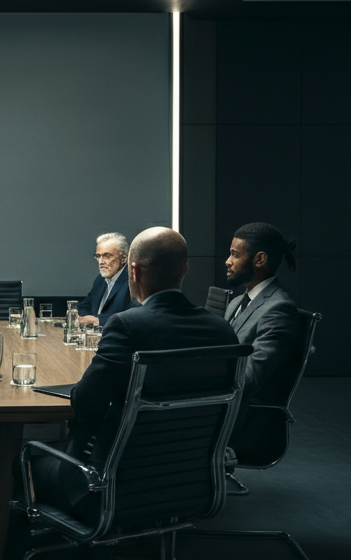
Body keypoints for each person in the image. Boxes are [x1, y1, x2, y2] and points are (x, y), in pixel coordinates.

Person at [31, 227, 238, 529]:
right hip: (193, 483)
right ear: (185, 270)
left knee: (20, 463)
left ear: (134, 270)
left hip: (111, 488)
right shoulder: (223, 331)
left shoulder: (127, 326)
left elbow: (86, 405)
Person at [223, 222, 302, 448]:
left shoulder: (278, 309)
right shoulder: (237, 302)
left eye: (234, 255)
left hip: (243, 418)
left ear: (259, 259)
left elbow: (250, 379)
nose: (227, 261)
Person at [76, 232, 138, 327]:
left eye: (107, 255)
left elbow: (135, 315)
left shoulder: (133, 280)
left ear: (123, 258)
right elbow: (84, 306)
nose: (101, 262)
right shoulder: (100, 279)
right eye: (98, 256)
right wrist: (86, 319)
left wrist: (98, 320)